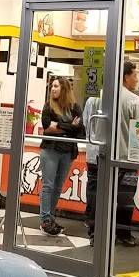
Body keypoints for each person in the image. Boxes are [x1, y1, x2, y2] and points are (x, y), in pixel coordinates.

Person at [39, 76, 85, 235]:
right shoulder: (48, 106)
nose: (53, 89)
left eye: (56, 86)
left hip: (68, 151)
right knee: (48, 185)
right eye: (52, 86)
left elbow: (80, 130)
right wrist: (70, 126)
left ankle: (51, 217)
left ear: (64, 89)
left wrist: (58, 126)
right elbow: (46, 127)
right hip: (50, 149)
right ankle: (45, 219)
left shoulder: (75, 107)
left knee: (58, 187)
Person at [113, 60, 139, 247]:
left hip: (107, 157)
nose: (137, 79)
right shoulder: (134, 101)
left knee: (107, 197)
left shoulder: (106, 96)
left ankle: (104, 233)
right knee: (125, 200)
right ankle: (124, 234)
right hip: (128, 159)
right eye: (135, 75)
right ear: (126, 77)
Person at [82, 93, 100, 243]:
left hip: (92, 151)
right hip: (105, 153)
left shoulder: (91, 101)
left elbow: (85, 122)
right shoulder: (115, 100)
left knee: (92, 186)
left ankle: (90, 218)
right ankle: (97, 224)